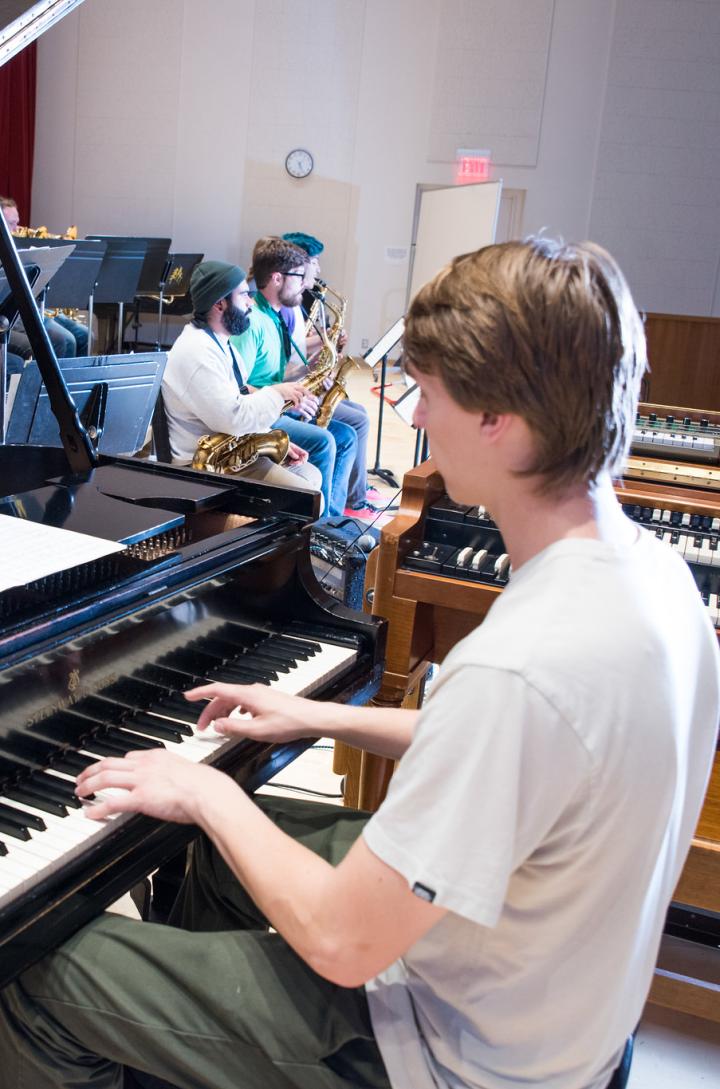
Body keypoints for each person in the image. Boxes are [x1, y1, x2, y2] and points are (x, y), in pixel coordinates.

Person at [0, 238, 718, 1089]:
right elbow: (507, 747)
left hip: (444, 1044)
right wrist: (313, 713)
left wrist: (209, 788)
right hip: (550, 1000)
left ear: (503, 421)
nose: (415, 418)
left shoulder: (523, 664)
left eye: (435, 394)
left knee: (32, 973)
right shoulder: (652, 578)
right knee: (203, 852)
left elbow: (344, 941)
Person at [161, 259, 322, 497]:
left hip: (228, 450)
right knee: (305, 494)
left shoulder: (219, 341)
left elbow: (239, 398)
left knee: (311, 475)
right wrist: (278, 393)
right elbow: (233, 419)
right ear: (220, 304)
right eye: (244, 295)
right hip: (207, 464)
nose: (250, 303)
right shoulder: (197, 352)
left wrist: (274, 441)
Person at [231, 236, 357, 520]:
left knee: (346, 435)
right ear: (277, 278)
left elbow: (281, 371)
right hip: (259, 415)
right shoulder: (254, 323)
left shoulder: (276, 316)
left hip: (277, 406)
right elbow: (237, 386)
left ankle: (333, 519)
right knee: (325, 441)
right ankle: (320, 529)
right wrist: (283, 394)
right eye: (299, 276)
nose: (305, 283)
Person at [281, 231, 381, 520]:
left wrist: (328, 349)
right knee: (354, 424)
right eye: (314, 261)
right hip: (294, 390)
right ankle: (347, 506)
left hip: (304, 383)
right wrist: (322, 345)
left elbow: (300, 352)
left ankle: (352, 496)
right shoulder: (287, 307)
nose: (319, 268)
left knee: (357, 415)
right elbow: (289, 356)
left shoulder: (301, 303)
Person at [0, 196, 89, 358]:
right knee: (62, 340)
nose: (17, 228)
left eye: (16, 222)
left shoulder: (21, 246)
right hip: (15, 313)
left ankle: (72, 382)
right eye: (11, 224)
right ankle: (50, 383)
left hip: (32, 308)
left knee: (82, 335)